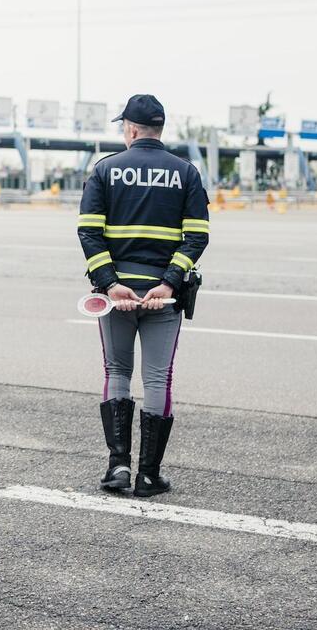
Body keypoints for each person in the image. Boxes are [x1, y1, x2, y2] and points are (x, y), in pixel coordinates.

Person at [76, 94, 210, 497]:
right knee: (157, 378)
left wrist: (111, 283)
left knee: (117, 373)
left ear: (131, 130)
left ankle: (118, 468)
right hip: (162, 299)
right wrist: (168, 283)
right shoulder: (186, 173)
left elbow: (89, 231)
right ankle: (148, 476)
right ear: (159, 129)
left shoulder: (105, 170)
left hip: (117, 298)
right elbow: (197, 236)